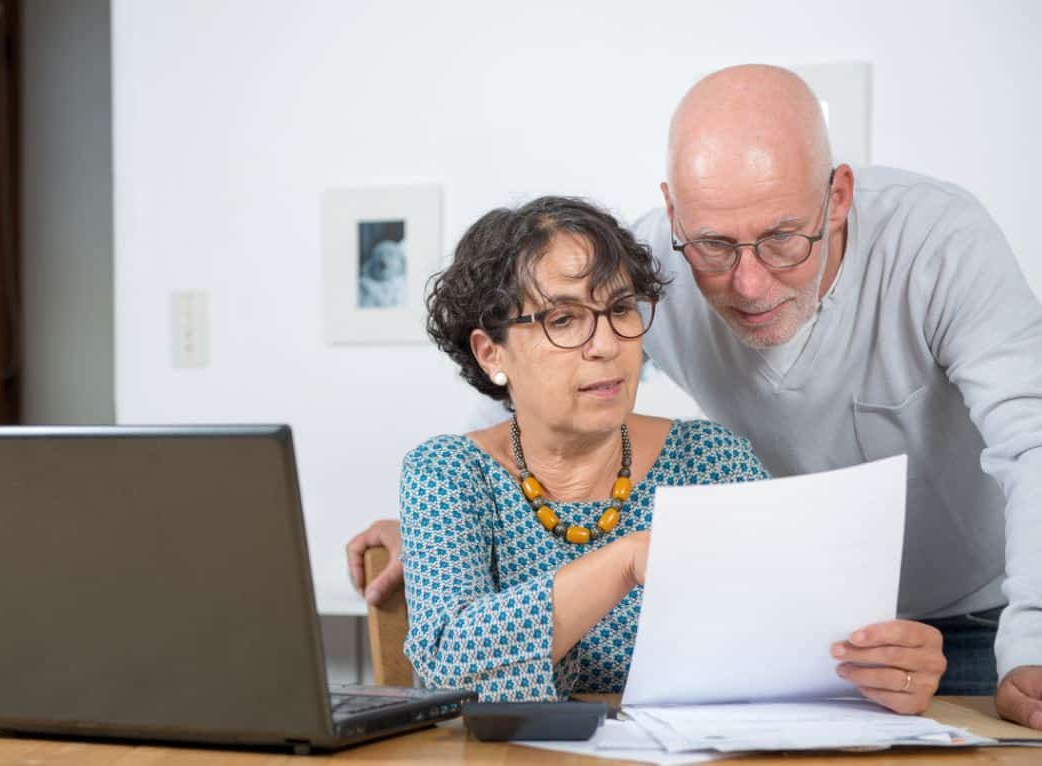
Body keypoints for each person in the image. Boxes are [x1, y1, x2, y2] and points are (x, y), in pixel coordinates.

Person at [348, 65, 1042, 728]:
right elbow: (527, 396)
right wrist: (444, 523)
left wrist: (1022, 643)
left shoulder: (714, 457)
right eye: (713, 245)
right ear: (677, 217)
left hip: (975, 606)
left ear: (836, 202)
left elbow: (1031, 441)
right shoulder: (652, 263)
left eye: (781, 239)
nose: (748, 284)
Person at [389, 196, 945, 707]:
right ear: (491, 353)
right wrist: (623, 562)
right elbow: (447, 668)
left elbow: (792, 640)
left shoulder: (709, 461)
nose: (606, 345)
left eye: (621, 309)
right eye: (563, 319)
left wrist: (881, 669)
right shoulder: (448, 473)